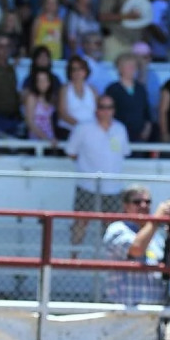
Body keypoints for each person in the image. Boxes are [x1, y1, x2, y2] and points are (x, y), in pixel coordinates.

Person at [103, 187, 170, 304]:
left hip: (153, 312)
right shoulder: (117, 229)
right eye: (137, 202)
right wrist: (156, 219)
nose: (143, 206)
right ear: (126, 206)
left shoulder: (156, 237)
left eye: (147, 202)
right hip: (124, 311)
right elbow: (137, 249)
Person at [65, 94, 130, 223]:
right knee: (80, 223)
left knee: (112, 226)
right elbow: (71, 152)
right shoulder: (82, 128)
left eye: (109, 107)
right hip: (87, 185)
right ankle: (74, 244)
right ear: (96, 109)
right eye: (102, 107)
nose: (106, 111)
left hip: (113, 187)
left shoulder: (120, 129)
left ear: (114, 110)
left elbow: (123, 153)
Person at [105, 53, 153, 143]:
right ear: (119, 68)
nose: (132, 69)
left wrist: (147, 128)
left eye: (134, 66)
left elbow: (146, 111)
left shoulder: (140, 88)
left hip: (139, 135)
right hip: (117, 135)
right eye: (129, 66)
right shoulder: (113, 89)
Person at [57, 54, 97, 137]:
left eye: (80, 69)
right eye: (74, 69)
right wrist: (80, 126)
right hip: (68, 130)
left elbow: (98, 111)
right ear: (70, 72)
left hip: (90, 132)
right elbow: (62, 113)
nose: (77, 72)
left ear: (85, 71)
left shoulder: (93, 90)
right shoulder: (64, 89)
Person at [24, 67, 58, 145]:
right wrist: (45, 138)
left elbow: (50, 122)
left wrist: (52, 138)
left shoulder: (50, 99)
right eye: (39, 81)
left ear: (49, 82)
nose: (42, 83)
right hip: (36, 140)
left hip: (50, 140)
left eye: (45, 80)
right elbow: (30, 122)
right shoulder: (31, 97)